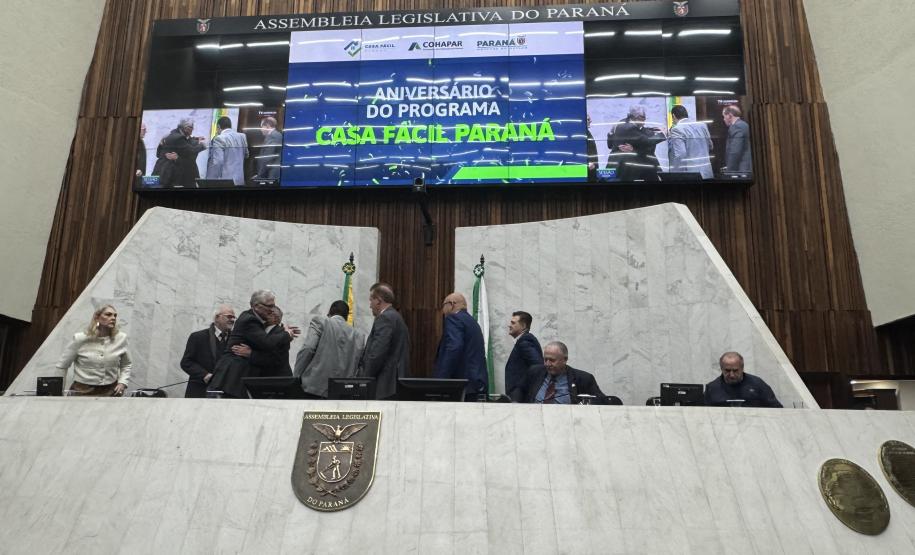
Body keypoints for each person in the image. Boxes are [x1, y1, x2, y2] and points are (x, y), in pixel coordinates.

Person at [207, 290, 299, 398]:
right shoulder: (250, 320)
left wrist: (251, 354)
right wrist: (287, 334)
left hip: (265, 381)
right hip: (232, 377)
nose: (272, 310)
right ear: (256, 306)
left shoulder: (271, 329)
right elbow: (266, 342)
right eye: (270, 306)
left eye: (273, 306)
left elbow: (274, 358)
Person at [54, 304, 132, 396]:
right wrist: (57, 392)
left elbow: (126, 364)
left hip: (111, 391)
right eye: (108, 314)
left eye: (115, 315)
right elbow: (62, 366)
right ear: (97, 317)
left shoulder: (121, 338)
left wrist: (123, 382)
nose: (113, 318)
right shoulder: (80, 338)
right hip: (82, 391)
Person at [294, 300, 366, 397]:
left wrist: (296, 376)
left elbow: (308, 348)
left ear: (329, 313)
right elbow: (359, 365)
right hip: (342, 393)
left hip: (314, 389)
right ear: (346, 317)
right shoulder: (359, 336)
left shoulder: (320, 322)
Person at [358, 282, 410, 400]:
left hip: (385, 385)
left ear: (378, 300)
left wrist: (364, 379)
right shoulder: (396, 317)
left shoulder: (385, 318)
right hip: (393, 384)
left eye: (371, 300)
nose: (370, 306)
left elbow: (377, 353)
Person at [513, 341, 608, 404]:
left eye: (552, 360)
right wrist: (515, 402)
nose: (547, 364)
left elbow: (602, 401)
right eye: (545, 359)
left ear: (565, 360)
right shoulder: (535, 372)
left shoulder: (583, 379)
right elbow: (519, 389)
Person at [433, 292, 488, 398]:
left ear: (452, 304)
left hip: (461, 386)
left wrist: (440, 381)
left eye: (444, 305)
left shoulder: (454, 319)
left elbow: (454, 347)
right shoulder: (472, 322)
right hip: (476, 384)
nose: (443, 310)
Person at [179, 305, 236, 398]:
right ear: (217, 317)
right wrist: (204, 375)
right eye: (229, 316)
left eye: (234, 317)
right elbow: (186, 362)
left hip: (227, 393)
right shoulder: (197, 337)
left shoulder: (236, 339)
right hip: (200, 391)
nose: (232, 320)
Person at [606, 105, 666, 182]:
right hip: (623, 166)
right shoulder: (630, 128)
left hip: (615, 163)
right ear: (636, 117)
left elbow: (610, 145)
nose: (645, 120)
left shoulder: (623, 122)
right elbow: (647, 141)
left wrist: (633, 149)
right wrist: (663, 134)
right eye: (643, 117)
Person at [231, 306, 294, 377]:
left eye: (268, 313)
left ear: (275, 318)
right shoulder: (260, 330)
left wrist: (251, 354)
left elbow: (275, 359)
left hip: (277, 378)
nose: (263, 314)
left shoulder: (281, 333)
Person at [705, 351, 782, 407]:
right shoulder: (711, 388)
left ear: (742, 368)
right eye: (727, 371)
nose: (732, 375)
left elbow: (777, 409)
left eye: (735, 370)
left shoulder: (757, 384)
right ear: (721, 369)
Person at [154, 118, 207, 188]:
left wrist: (196, 139)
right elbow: (191, 152)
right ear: (185, 128)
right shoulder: (179, 138)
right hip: (174, 175)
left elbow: (159, 154)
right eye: (191, 127)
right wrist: (202, 145)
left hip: (166, 173)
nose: (193, 129)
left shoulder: (170, 135)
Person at [504, 311, 543, 400]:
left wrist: (521, 387)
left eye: (513, 323)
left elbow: (538, 366)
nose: (509, 325)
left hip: (522, 395)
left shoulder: (525, 340)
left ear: (523, 326)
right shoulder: (523, 340)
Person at [668, 105, 713, 179]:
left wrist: (675, 176)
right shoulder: (702, 125)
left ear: (673, 116)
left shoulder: (676, 129)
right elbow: (711, 146)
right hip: (707, 173)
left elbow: (680, 154)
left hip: (692, 176)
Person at [206, 116, 249, 185]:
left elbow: (217, 162)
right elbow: (246, 155)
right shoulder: (242, 136)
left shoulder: (219, 138)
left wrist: (210, 182)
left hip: (226, 182)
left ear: (218, 127)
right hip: (240, 181)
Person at [722, 105, 752, 174]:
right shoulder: (744, 125)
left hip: (741, 169)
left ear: (729, 115)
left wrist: (729, 171)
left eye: (724, 116)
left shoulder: (736, 127)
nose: (724, 119)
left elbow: (735, 151)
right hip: (747, 168)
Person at [586, 114, 598, 181]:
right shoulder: (582, 134)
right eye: (588, 119)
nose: (591, 121)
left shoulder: (587, 132)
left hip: (592, 169)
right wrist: (586, 164)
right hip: (588, 170)